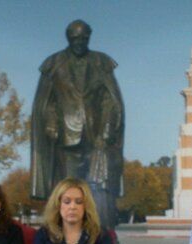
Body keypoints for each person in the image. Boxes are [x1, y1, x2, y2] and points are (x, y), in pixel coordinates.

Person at [30, 19, 125, 230]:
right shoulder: (54, 63)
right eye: (75, 38)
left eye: (84, 38)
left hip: (97, 136)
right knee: (68, 187)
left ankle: (102, 234)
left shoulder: (102, 62)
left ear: (89, 37)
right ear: (68, 38)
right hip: (67, 136)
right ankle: (63, 233)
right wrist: (51, 123)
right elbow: (47, 101)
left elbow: (111, 99)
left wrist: (108, 130)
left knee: (99, 187)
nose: (80, 42)